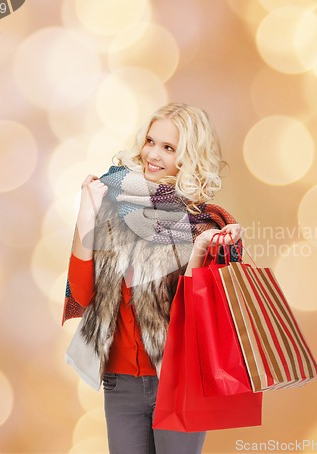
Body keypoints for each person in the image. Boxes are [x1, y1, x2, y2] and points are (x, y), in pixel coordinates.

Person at [62, 103, 245, 454]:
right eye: (150, 141)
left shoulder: (203, 224)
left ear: (188, 158)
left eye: (168, 147)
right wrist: (86, 216)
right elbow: (84, 296)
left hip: (181, 380)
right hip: (121, 382)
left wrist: (198, 254)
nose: (153, 154)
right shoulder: (112, 206)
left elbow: (193, 320)